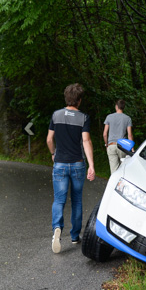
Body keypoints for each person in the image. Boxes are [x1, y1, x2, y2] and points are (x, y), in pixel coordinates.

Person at [46, 83, 95, 253]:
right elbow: (86, 141)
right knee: (76, 200)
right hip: (77, 164)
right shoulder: (83, 118)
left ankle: (57, 229)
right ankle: (74, 236)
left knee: (59, 200)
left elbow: (49, 139)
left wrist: (53, 154)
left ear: (66, 98)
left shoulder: (56, 115)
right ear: (79, 100)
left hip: (59, 163)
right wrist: (91, 165)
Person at [103, 99, 133, 173]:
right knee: (123, 170)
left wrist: (106, 144)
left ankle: (114, 183)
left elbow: (104, 134)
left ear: (116, 106)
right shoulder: (127, 118)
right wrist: (132, 149)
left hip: (111, 145)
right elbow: (130, 135)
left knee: (114, 171)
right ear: (123, 107)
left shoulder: (109, 117)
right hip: (122, 146)